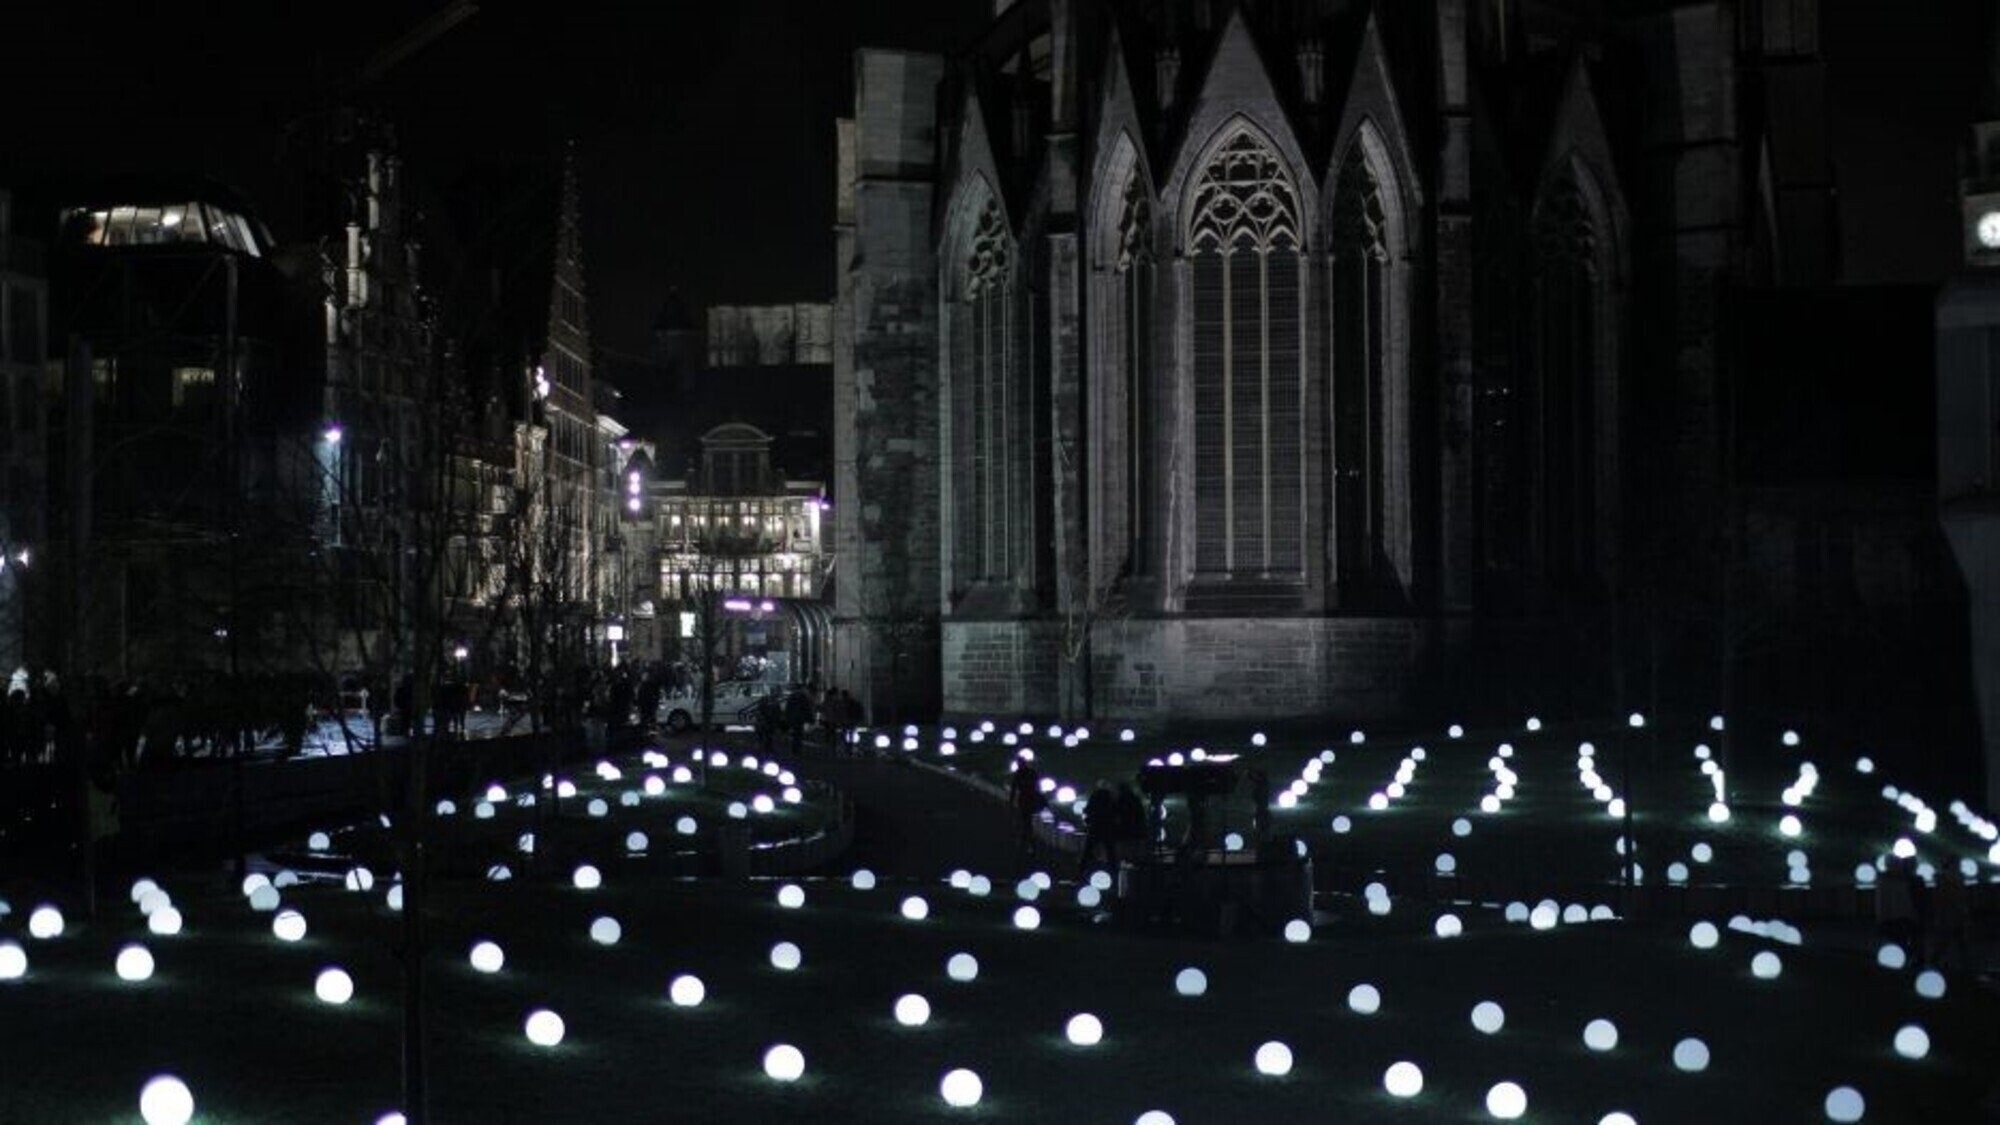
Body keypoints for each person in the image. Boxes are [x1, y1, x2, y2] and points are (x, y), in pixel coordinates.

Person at [1078, 778, 1119, 876]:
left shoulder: (1095, 796)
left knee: (1088, 850)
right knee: (1110, 850)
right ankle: (1114, 871)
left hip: (1095, 826)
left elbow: (1088, 809)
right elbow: (1115, 811)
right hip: (1107, 827)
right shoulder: (1111, 797)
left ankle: (1082, 871)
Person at [1008, 763, 1048, 855]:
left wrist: (1011, 802)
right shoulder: (1031, 772)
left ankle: (1027, 843)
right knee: (1027, 822)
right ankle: (1029, 843)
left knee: (1026, 822)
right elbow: (1038, 787)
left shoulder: (1019, 774)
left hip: (1026, 801)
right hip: (1030, 800)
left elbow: (1014, 789)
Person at [782, 685, 814, 755]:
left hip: (793, 718)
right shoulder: (803, 697)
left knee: (795, 734)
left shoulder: (791, 697)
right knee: (798, 734)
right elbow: (807, 709)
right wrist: (810, 719)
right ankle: (797, 749)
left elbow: (788, 709)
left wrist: (787, 717)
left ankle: (794, 749)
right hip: (800, 719)